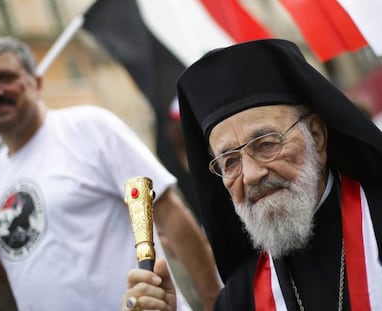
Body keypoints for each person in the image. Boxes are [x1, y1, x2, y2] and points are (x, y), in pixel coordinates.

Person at [121, 39, 382, 310]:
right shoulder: (239, 299)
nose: (251, 175)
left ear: (315, 136)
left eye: (266, 144)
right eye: (230, 161)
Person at [0, 36, 221, 311]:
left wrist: (214, 303)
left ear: (37, 83)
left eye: (5, 77)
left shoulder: (89, 128)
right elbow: (19, 276)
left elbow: (169, 212)